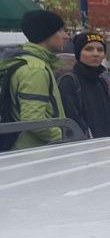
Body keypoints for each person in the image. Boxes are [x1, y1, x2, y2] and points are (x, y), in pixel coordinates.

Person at [2, 9, 70, 149]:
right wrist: (64, 136)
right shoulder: (35, 69)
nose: (66, 36)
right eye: (61, 31)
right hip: (36, 152)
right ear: (47, 34)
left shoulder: (29, 63)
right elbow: (34, 121)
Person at [58, 32, 110, 139]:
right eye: (89, 49)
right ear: (79, 53)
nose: (96, 54)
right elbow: (71, 119)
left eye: (100, 50)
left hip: (107, 145)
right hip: (85, 147)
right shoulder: (69, 81)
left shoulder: (101, 81)